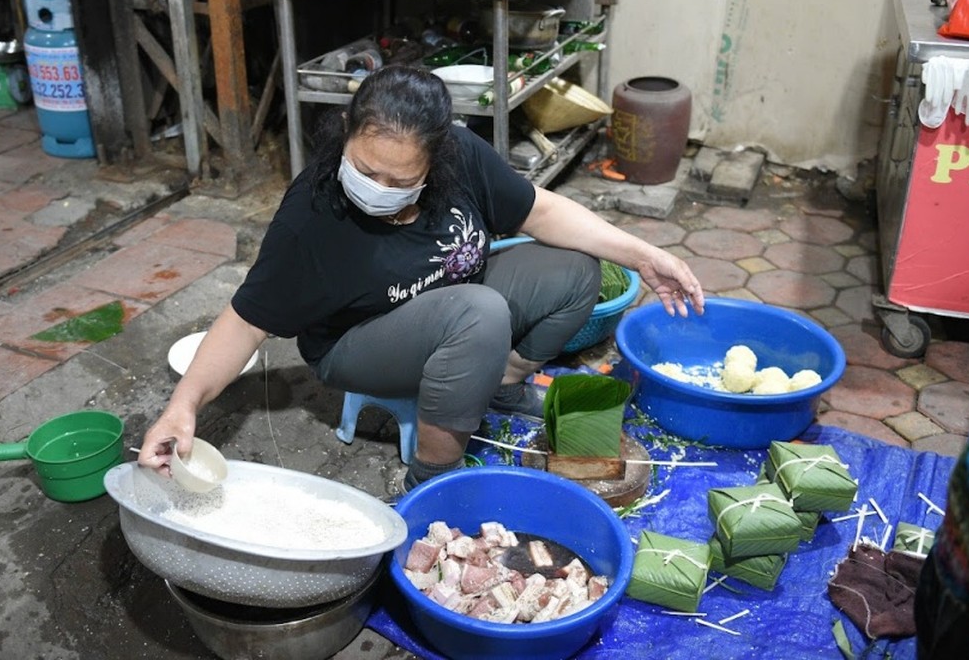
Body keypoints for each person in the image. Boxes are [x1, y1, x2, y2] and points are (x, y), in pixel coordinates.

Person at [138, 65, 704, 493]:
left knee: (575, 269)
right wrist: (183, 405)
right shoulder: (309, 222)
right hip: (357, 345)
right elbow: (245, 323)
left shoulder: (461, 156)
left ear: (436, 159)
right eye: (365, 169)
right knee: (478, 314)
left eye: (400, 177)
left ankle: (499, 383)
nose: (379, 187)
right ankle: (431, 478)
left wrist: (642, 255)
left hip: (458, 306)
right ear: (346, 131)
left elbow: (543, 213)